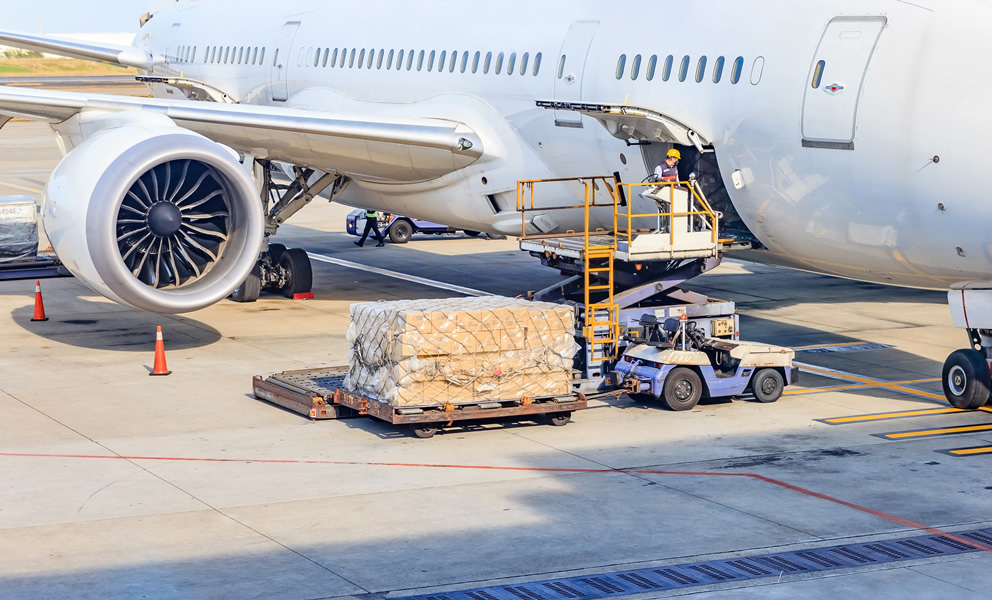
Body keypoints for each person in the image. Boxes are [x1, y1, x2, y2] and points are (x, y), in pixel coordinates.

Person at [644, 148, 682, 232]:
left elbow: (677, 179)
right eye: (676, 158)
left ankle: (673, 229)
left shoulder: (675, 167)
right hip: (664, 193)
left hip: (675, 192)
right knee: (665, 212)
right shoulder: (660, 167)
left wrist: (679, 188)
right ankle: (664, 228)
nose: (677, 160)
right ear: (671, 158)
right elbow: (656, 180)